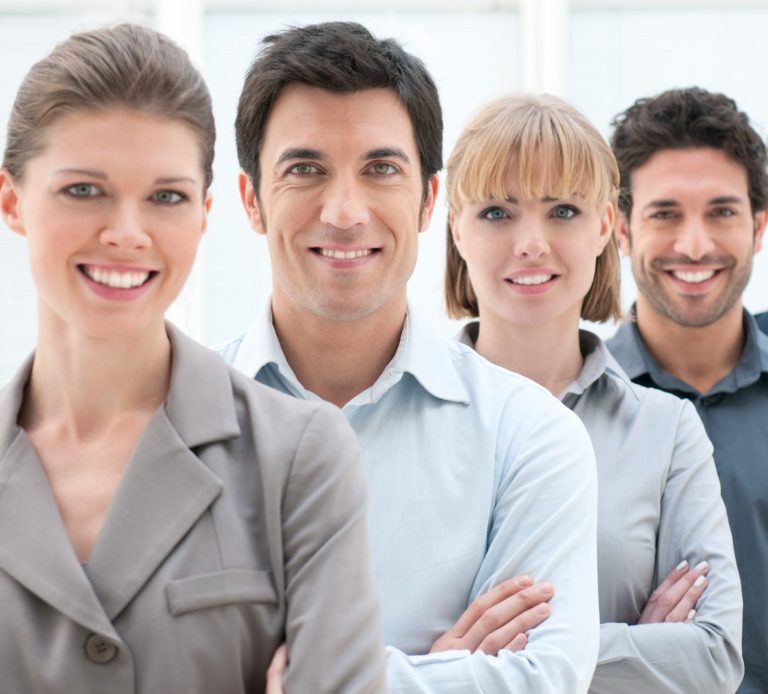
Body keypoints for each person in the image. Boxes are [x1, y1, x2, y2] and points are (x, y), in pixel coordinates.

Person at [0, 24, 386, 694]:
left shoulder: (299, 457)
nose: (127, 232)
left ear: (204, 215)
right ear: (12, 202)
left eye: (166, 197)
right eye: (83, 190)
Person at [223, 21, 600, 693]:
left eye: (380, 169)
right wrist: (442, 672)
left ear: (428, 199)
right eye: (305, 169)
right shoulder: (168, 425)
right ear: (252, 199)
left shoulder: (531, 438)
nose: (344, 211)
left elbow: (544, 679)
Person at [443, 93, 743, 693]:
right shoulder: (398, 412)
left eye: (562, 211)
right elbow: (366, 650)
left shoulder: (668, 431)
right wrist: (628, 646)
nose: (531, 243)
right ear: (456, 227)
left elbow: (712, 658)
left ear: (606, 226)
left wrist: (472, 661)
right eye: (497, 212)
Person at [606, 86, 768, 694]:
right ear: (620, 230)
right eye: (665, 214)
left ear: (758, 226)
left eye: (722, 212)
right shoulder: (564, 409)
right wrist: (642, 660)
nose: (694, 246)